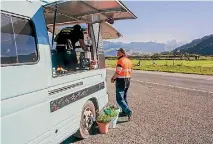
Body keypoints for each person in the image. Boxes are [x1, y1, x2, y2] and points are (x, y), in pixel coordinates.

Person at [111, 48, 133, 121]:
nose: (117, 53)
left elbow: (118, 72)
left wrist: (113, 78)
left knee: (119, 99)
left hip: (121, 80)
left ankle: (128, 111)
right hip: (127, 80)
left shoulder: (120, 61)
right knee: (124, 97)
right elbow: (131, 71)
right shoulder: (129, 61)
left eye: (118, 52)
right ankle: (124, 112)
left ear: (122, 53)